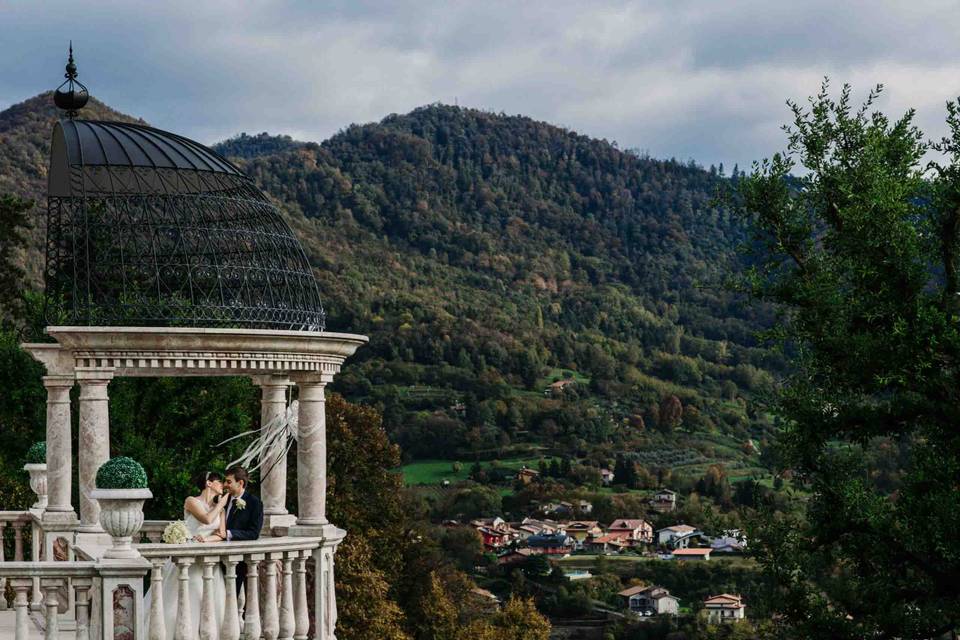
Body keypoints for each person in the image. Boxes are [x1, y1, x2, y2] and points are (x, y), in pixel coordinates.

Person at [144, 471, 228, 639]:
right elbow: (206, 519)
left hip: (206, 559)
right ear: (209, 483)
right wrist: (221, 504)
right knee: (181, 598)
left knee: (206, 598)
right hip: (187, 558)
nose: (223, 486)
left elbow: (222, 534)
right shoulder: (191, 501)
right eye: (220, 482)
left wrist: (206, 539)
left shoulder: (220, 510)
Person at [222, 465, 264, 594]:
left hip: (237, 560)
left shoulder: (254, 502)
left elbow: (253, 533)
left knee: (231, 597)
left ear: (240, 483)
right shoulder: (221, 500)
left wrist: (228, 534)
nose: (225, 485)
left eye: (229, 482)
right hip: (216, 558)